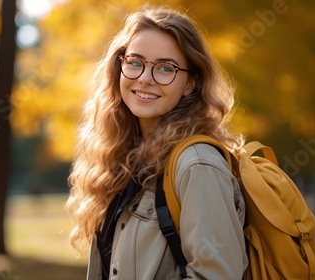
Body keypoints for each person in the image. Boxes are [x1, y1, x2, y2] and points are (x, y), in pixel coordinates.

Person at [66, 6, 247, 279]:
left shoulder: (197, 165)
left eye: (165, 68)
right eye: (135, 62)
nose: (145, 79)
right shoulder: (123, 158)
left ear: (191, 84)